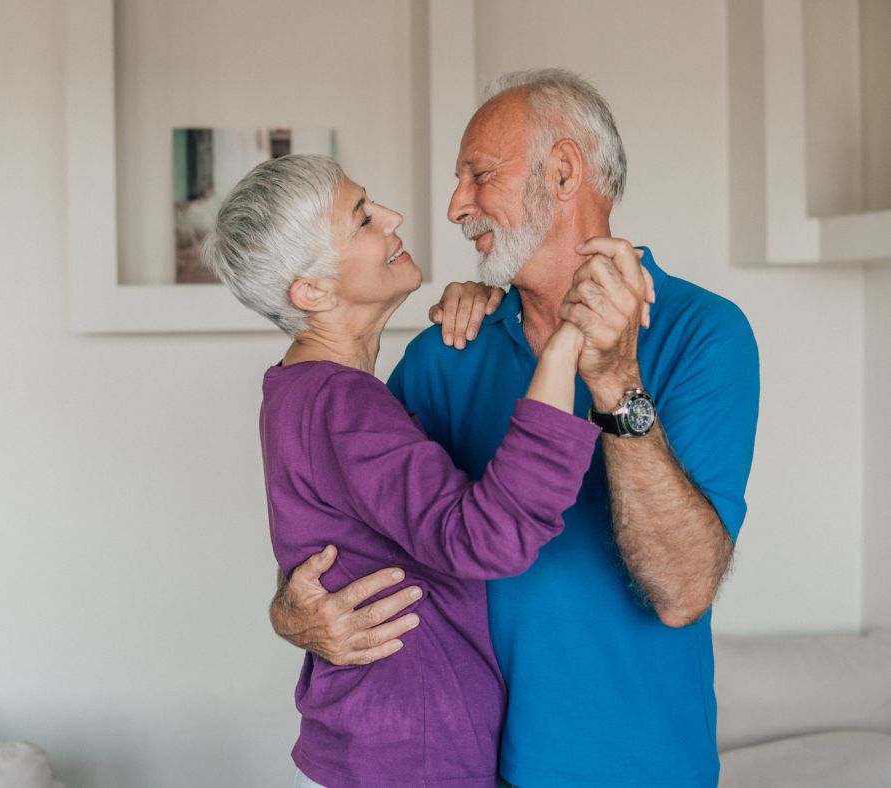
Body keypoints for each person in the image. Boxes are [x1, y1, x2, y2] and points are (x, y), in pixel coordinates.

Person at [271, 69, 760, 787]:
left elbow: (683, 591)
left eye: (478, 175)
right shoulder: (444, 352)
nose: (453, 206)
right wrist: (291, 613)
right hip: (461, 765)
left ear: (562, 172)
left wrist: (617, 382)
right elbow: (352, 527)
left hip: (636, 768)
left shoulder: (704, 333)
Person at [202, 153, 611, 786]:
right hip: (412, 750)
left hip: (383, 737)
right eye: (363, 217)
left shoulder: (300, 392)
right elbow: (487, 538)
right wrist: (564, 346)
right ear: (312, 292)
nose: (393, 217)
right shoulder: (340, 404)